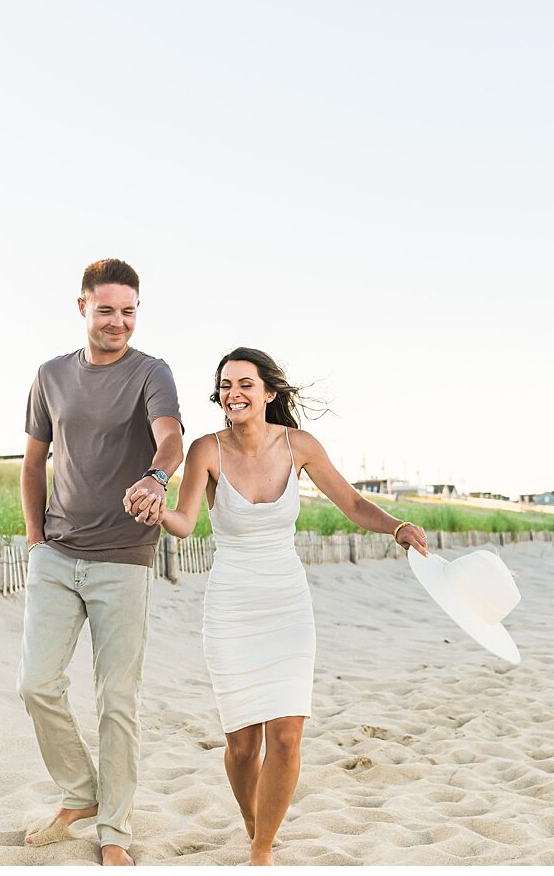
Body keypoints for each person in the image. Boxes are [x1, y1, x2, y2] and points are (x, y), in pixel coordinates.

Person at [125, 347, 429, 866]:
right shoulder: (206, 450)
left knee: (286, 736)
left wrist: (396, 527)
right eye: (225, 385)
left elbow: (353, 503)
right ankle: (252, 822)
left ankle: (262, 850)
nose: (233, 393)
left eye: (245, 383)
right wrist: (155, 512)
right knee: (243, 746)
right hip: (231, 606)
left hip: (287, 602)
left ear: (269, 392)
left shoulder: (300, 446)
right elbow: (184, 520)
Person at [18, 258, 184, 866]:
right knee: (35, 684)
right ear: (83, 307)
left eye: (129, 311)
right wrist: (36, 540)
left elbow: (171, 437)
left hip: (124, 560)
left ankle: (114, 829)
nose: (119, 321)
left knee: (117, 700)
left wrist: (157, 476)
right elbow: (34, 461)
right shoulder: (50, 375)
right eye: (108, 309)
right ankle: (81, 793)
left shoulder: (151, 373)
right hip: (56, 556)